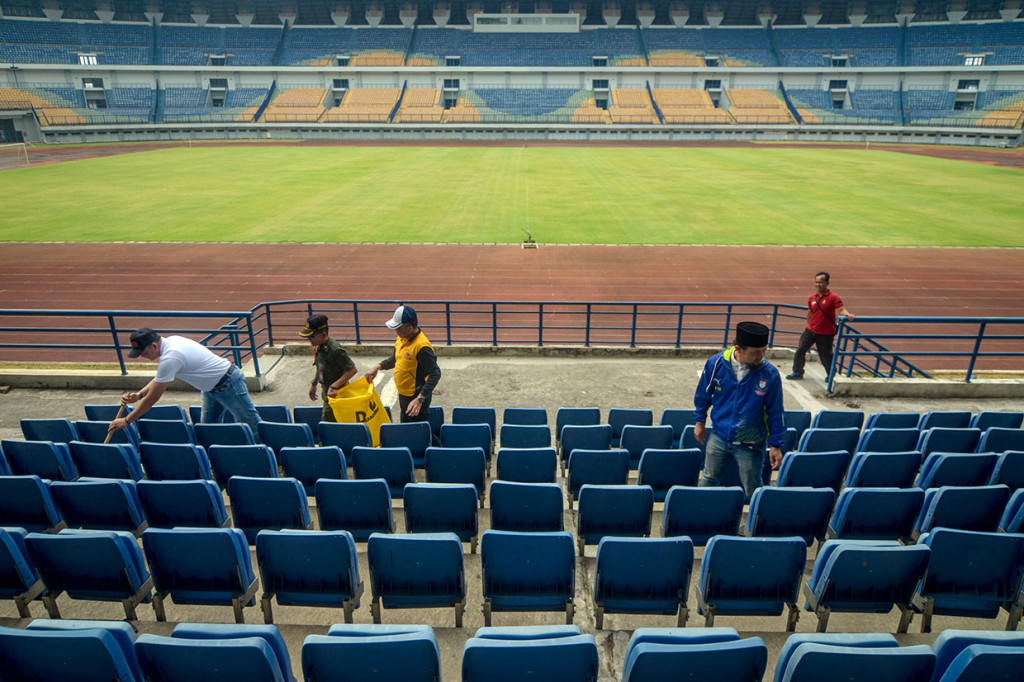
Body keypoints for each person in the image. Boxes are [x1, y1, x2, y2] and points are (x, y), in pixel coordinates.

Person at [107, 327, 261, 436]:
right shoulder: (171, 342)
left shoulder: (171, 356)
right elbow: (159, 379)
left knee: (252, 424)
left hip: (228, 384)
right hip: (210, 388)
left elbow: (152, 398)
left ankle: (270, 458)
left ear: (154, 345)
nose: (142, 356)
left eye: (144, 352)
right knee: (207, 429)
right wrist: (139, 395)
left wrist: (127, 421)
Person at [693, 321, 786, 498]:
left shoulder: (770, 374)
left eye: (764, 350)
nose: (761, 356)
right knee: (708, 480)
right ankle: (701, 519)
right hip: (719, 437)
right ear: (739, 348)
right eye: (755, 352)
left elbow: (776, 411)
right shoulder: (716, 364)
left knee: (753, 489)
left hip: (750, 444)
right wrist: (700, 422)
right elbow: (703, 395)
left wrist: (776, 444)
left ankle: (754, 524)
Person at [364, 305, 441, 423]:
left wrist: (420, 398)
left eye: (398, 328)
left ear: (409, 328)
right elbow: (395, 359)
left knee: (418, 431)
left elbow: (435, 373)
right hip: (404, 394)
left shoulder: (421, 347)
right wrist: (378, 366)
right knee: (406, 427)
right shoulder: (401, 339)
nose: (396, 331)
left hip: (415, 396)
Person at [787, 271, 855, 380]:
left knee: (826, 356)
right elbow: (810, 312)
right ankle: (797, 372)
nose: (818, 284)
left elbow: (841, 309)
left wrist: (847, 314)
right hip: (810, 331)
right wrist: (809, 325)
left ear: (827, 283)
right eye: (816, 282)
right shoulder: (812, 298)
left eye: (821, 282)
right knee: (800, 350)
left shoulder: (833, 297)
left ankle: (831, 375)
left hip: (826, 334)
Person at [301, 313, 358, 422]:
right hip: (326, 391)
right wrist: (314, 384)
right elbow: (319, 366)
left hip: (337, 395)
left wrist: (334, 386)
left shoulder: (335, 350)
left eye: (312, 336)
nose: (309, 339)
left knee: (326, 425)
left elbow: (352, 370)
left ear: (323, 334)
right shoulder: (319, 347)